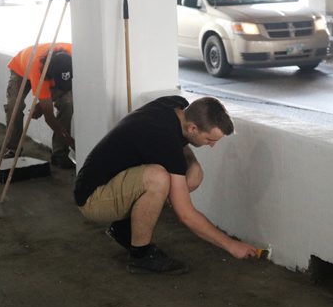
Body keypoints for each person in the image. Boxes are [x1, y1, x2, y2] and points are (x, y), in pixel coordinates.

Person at [74, 95, 256, 274]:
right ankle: (140, 255)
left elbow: (177, 141)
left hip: (112, 181)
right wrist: (232, 245)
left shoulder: (176, 106)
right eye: (210, 140)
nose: (212, 146)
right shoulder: (164, 139)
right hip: (93, 198)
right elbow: (186, 215)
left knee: (193, 175)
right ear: (193, 128)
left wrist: (193, 163)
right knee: (158, 179)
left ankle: (124, 229)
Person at [3, 42, 75, 169]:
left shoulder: (75, 54)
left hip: (54, 72)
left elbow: (64, 87)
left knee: (67, 103)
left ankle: (60, 155)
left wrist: (42, 105)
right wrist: (70, 141)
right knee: (15, 106)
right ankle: (13, 149)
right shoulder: (38, 70)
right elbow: (49, 118)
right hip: (21, 69)